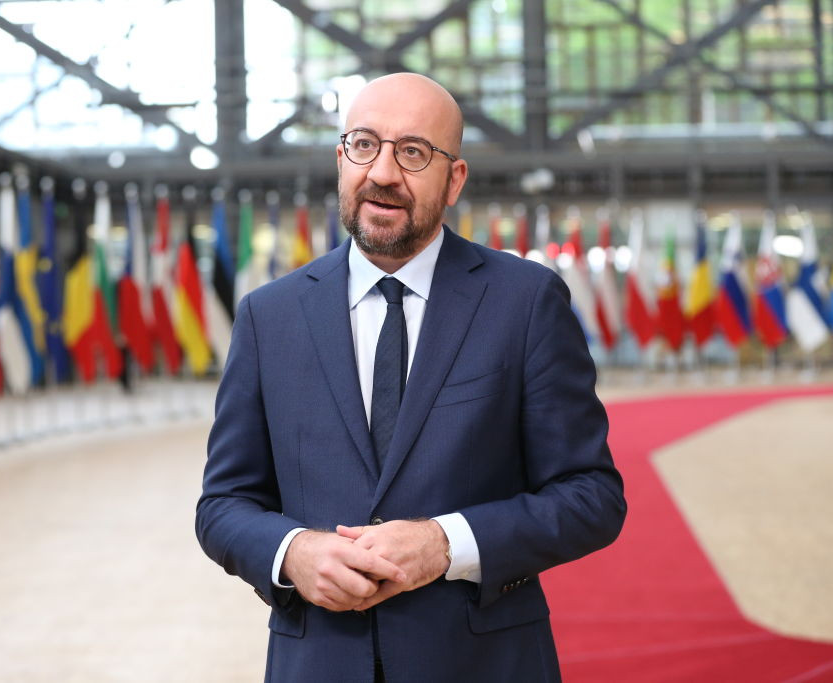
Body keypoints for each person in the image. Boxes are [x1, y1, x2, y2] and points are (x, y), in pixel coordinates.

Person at [196, 72, 625, 683]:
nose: (383, 173)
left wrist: (447, 544)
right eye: (364, 145)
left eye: (414, 152)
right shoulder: (269, 316)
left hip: (483, 665)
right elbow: (223, 505)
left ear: (455, 180)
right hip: (318, 664)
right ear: (340, 159)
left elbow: (591, 496)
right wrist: (293, 553)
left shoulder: (525, 302)